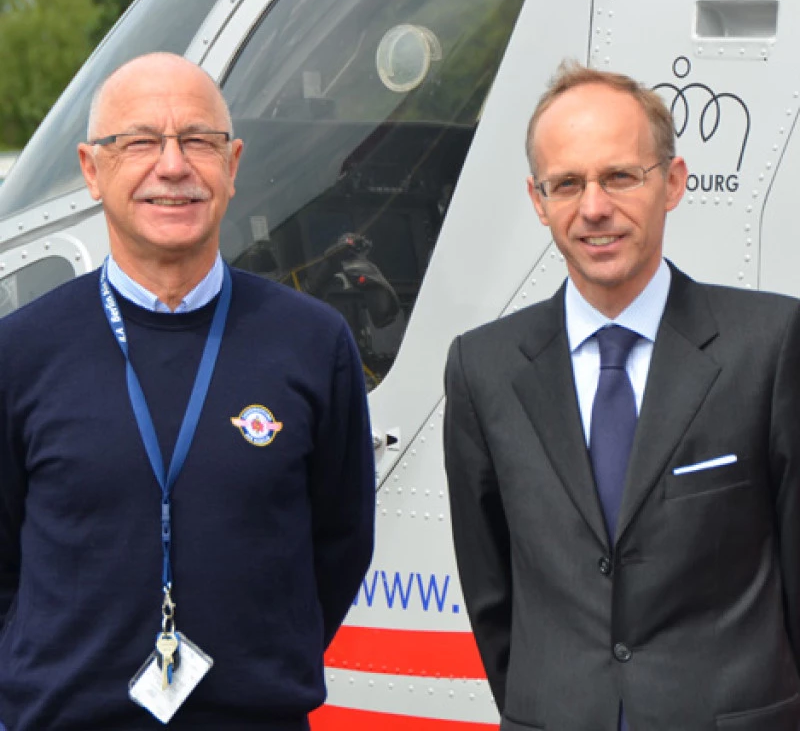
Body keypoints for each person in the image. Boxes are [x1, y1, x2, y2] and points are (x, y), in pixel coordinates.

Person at [0, 52, 375, 730]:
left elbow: (340, 544)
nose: (172, 166)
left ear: (232, 167)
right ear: (92, 169)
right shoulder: (19, 352)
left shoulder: (313, 345)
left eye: (197, 141)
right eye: (140, 141)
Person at [443, 63, 800, 731]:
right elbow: (492, 594)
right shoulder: (481, 369)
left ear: (672, 182)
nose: (594, 207)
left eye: (619, 176)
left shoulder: (770, 346)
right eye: (568, 183)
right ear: (537, 199)